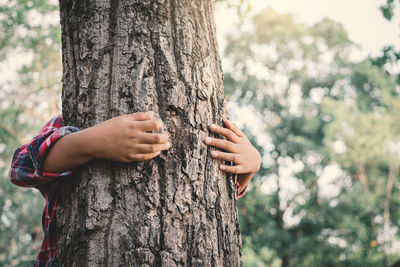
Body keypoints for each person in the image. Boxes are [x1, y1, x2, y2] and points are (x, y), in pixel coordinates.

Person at [9, 111, 261, 267]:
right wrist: (92, 142)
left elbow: (217, 195)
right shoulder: (69, 122)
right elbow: (20, 168)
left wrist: (251, 165)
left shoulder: (209, 123)